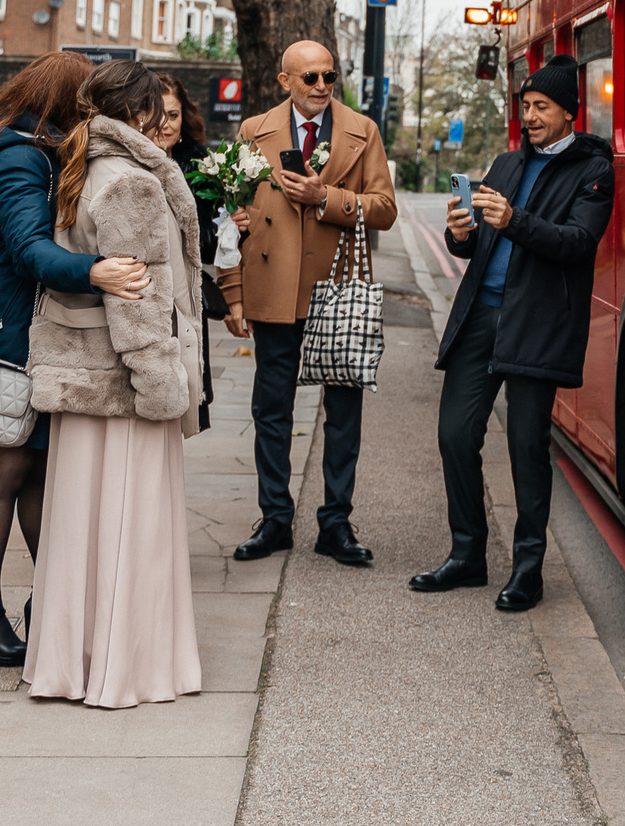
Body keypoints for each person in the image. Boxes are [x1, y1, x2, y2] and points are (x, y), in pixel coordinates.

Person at [0, 52, 148, 670]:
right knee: (7, 471)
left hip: (27, 328)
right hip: (9, 332)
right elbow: (29, 250)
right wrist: (94, 272)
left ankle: (42, 606)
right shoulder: (19, 158)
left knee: (35, 472)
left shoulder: (28, 149)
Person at [23, 60, 206, 708]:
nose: (165, 118)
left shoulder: (83, 167)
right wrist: (163, 386)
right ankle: (128, 668)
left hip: (84, 379)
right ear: (138, 113)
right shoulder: (133, 182)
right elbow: (140, 301)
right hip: (127, 384)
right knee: (135, 526)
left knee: (82, 527)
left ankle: (72, 663)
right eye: (157, 106)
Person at [415, 52, 615, 612]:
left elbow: (577, 243)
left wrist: (514, 221)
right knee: (455, 433)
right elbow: (478, 245)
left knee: (527, 447)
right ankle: (467, 555)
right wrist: (461, 233)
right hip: (482, 312)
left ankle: (528, 571)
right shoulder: (505, 164)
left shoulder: (593, 171)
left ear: (569, 113)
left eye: (541, 107)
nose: (529, 116)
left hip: (538, 322)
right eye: (525, 106)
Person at [221, 40, 398, 566]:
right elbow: (233, 216)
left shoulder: (362, 131)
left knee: (343, 412)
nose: (322, 86)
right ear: (285, 82)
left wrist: (326, 199)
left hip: (336, 288)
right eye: (310, 78)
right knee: (271, 410)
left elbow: (385, 209)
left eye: (329, 76)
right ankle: (275, 518)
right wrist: (233, 295)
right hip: (274, 290)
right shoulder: (254, 130)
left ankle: (335, 524)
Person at [161, 76, 223, 433]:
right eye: (158, 114)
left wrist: (232, 225)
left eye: (173, 114)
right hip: (144, 295)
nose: (166, 124)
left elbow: (211, 243)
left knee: (184, 397)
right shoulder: (128, 161)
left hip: (185, 299)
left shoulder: (200, 165)